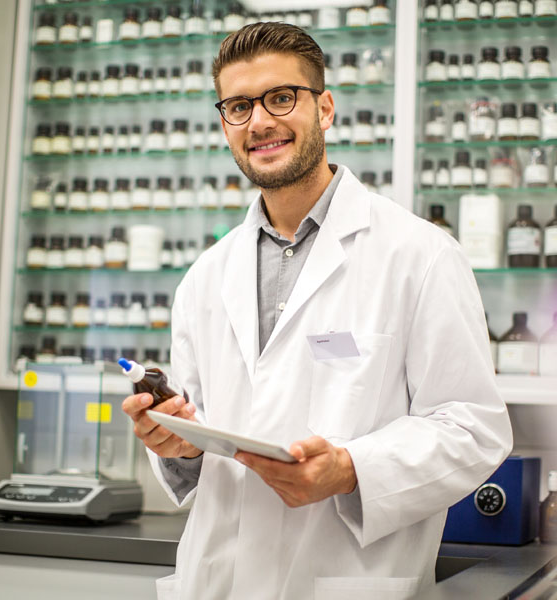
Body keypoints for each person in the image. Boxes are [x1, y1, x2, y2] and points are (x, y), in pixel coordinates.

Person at [122, 22, 513, 600]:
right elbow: (201, 432)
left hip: (346, 582)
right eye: (237, 106)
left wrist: (351, 467)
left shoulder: (418, 254)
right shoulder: (205, 276)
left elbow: (473, 427)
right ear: (225, 124)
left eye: (281, 97)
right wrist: (178, 444)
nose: (259, 121)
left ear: (325, 108)